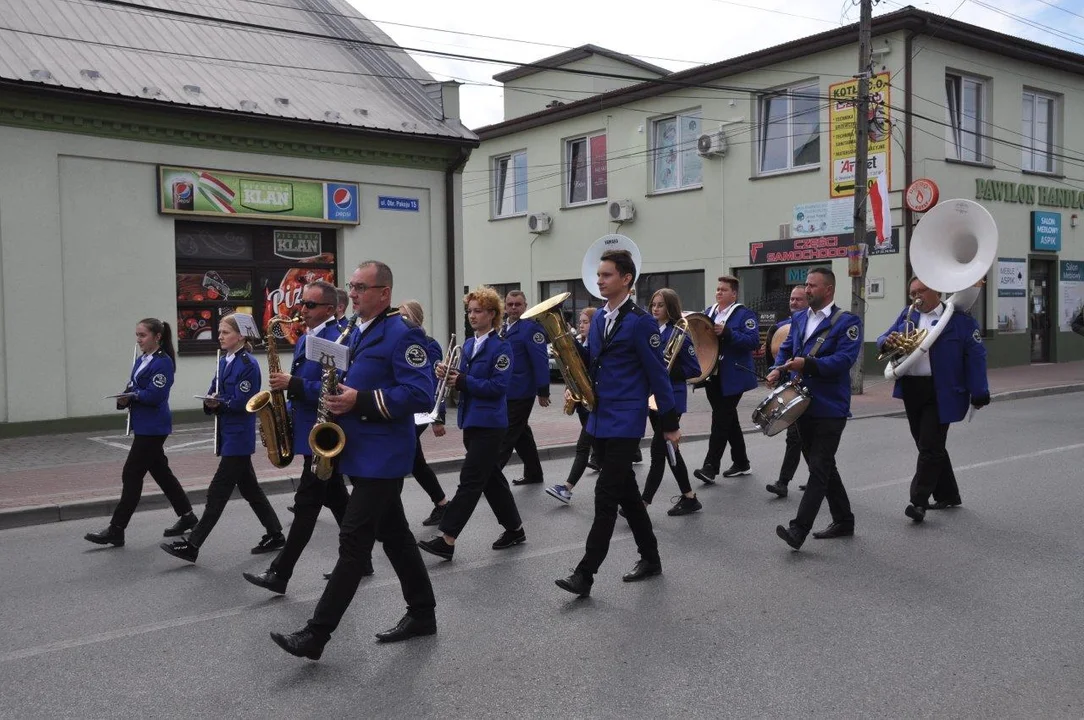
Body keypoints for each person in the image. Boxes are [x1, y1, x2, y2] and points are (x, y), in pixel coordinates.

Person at [270, 261, 437, 660]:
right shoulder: (355, 331)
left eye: (362, 287)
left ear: (385, 292)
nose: (355, 293)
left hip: (384, 456)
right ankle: (423, 613)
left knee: (353, 543)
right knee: (395, 537)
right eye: (352, 286)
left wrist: (358, 400)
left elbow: (421, 394)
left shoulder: (403, 334)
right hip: (359, 454)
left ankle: (316, 635)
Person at [555, 250, 679, 598]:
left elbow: (659, 376)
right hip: (598, 418)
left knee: (605, 495)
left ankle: (585, 573)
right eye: (599, 274)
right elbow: (593, 362)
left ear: (626, 279)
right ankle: (651, 557)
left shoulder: (642, 322)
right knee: (629, 496)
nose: (599, 280)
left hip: (625, 421)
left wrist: (668, 423)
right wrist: (565, 348)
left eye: (607, 275)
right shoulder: (598, 320)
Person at [243, 281, 356, 595]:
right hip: (308, 429)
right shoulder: (310, 336)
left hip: (324, 432)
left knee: (306, 505)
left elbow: (333, 390)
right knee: (336, 498)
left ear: (330, 309)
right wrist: (284, 412)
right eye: (302, 304)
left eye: (309, 305)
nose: (301, 310)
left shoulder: (335, 338)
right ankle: (361, 559)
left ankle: (280, 573)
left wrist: (291, 384)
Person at [160, 315, 284, 562]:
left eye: (225, 332)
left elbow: (242, 402)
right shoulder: (223, 361)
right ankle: (276, 534)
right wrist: (209, 402)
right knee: (251, 490)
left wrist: (219, 402)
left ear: (240, 336)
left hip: (239, 437)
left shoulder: (248, 364)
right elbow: (213, 391)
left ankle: (193, 545)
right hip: (227, 434)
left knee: (217, 492)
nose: (220, 336)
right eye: (219, 332)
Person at [418, 287, 527, 560]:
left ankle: (447, 538)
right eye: (470, 311)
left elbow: (498, 386)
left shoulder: (502, 347)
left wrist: (463, 380)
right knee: (491, 480)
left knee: (470, 480)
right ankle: (515, 529)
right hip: (471, 420)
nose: (472, 316)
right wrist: (445, 373)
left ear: (492, 314)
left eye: (478, 311)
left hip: (490, 424)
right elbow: (459, 378)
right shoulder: (467, 345)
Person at [877, 278, 990, 522]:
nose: (916, 297)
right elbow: (884, 337)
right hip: (912, 388)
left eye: (921, 291)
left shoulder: (959, 321)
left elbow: (976, 357)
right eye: (912, 293)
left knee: (929, 446)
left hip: (942, 391)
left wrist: (979, 391)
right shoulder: (907, 317)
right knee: (928, 445)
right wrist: (886, 342)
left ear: (936, 291)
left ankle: (918, 502)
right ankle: (948, 494)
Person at [769, 268, 861, 551]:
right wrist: (777, 369)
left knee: (819, 468)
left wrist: (807, 364)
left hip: (830, 407)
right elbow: (785, 349)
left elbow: (843, 360)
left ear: (828, 290)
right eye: (806, 285)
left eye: (812, 286)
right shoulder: (798, 319)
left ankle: (798, 530)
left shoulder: (847, 322)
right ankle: (844, 520)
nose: (806, 290)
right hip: (801, 404)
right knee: (823, 466)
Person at [85, 318, 198, 547]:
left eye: (143, 335)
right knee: (161, 472)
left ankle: (116, 529)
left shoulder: (163, 363)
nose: (138, 340)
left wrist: (134, 396)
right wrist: (124, 398)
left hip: (154, 427)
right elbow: (133, 386)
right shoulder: (142, 360)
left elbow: (156, 395)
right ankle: (187, 516)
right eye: (137, 335)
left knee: (131, 474)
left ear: (157, 337)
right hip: (143, 425)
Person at [640, 289, 704, 516]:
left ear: (670, 308)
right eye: (653, 305)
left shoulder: (679, 334)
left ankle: (642, 505)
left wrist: (668, 369)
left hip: (672, 399)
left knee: (658, 453)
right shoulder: (650, 330)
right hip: (652, 398)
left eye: (660, 305)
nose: (655, 309)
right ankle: (689, 497)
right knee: (669, 450)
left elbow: (695, 369)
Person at [694, 276, 759, 483]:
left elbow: (753, 341)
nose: (719, 292)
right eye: (717, 289)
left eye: (723, 289)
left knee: (721, 420)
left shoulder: (743, 314)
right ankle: (742, 462)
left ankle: (710, 467)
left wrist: (728, 332)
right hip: (713, 374)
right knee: (728, 419)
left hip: (734, 375)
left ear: (734, 294)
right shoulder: (709, 312)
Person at [398, 299, 450, 526]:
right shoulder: (400, 342)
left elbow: (438, 382)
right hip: (406, 410)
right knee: (414, 460)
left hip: (422, 411)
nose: (401, 320)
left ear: (416, 319)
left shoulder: (428, 344)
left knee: (402, 454)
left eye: (404, 316)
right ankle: (442, 504)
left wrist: (439, 417)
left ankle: (388, 510)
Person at [495, 291, 550, 486]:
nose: (513, 308)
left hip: (522, 391)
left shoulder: (531, 329)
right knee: (521, 435)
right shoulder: (502, 328)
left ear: (525, 306)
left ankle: (489, 478)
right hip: (506, 390)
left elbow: (541, 361)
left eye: (518, 304)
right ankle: (534, 473)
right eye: (509, 304)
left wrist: (543, 391)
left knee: (507, 435)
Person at [545, 307, 597, 504]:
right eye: (580, 322)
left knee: (583, 448)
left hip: (593, 404)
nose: (581, 325)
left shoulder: (594, 345)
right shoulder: (585, 342)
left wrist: (567, 338)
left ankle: (566, 488)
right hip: (584, 404)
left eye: (585, 322)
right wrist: (570, 387)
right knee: (602, 452)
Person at [765, 286, 810, 498]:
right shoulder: (782, 327)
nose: (793, 303)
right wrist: (774, 373)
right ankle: (790, 481)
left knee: (803, 438)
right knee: (798, 437)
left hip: (810, 388)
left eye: (799, 299)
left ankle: (788, 481)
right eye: (792, 299)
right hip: (792, 388)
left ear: (809, 302)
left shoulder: (815, 325)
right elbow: (777, 354)